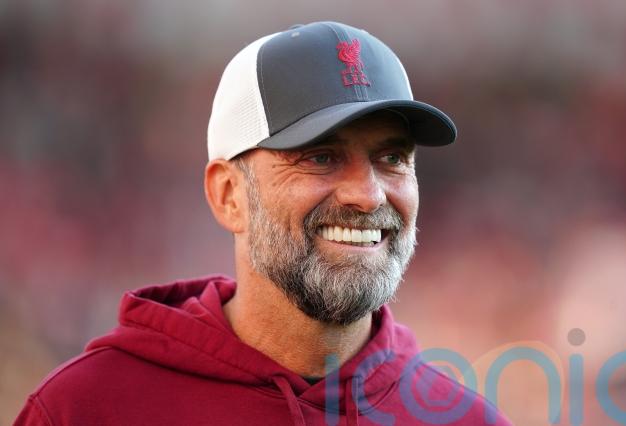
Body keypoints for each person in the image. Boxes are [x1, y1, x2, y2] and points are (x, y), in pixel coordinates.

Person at [16, 21, 512, 425]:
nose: (368, 194)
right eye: (321, 157)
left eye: (392, 158)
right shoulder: (85, 409)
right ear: (228, 195)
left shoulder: (468, 421)